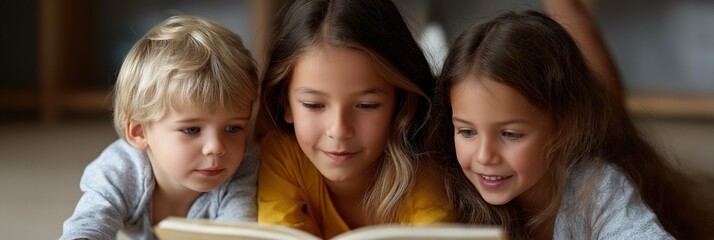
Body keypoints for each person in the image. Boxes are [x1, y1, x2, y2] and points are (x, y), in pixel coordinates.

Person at [429, 10, 712, 239]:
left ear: (563, 126)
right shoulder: (447, 190)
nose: (483, 156)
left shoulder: (594, 190)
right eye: (466, 131)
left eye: (510, 134)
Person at [256, 0, 450, 238]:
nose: (339, 130)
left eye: (367, 105)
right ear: (285, 103)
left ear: (400, 104)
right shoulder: (283, 157)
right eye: (313, 105)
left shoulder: (423, 169)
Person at [61, 15, 259, 240]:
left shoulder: (243, 166)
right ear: (139, 132)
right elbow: (89, 223)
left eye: (233, 128)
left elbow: (238, 232)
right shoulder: (119, 170)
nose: (216, 147)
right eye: (192, 130)